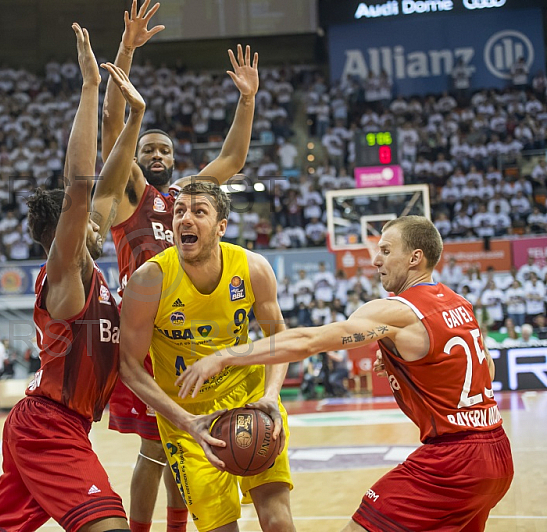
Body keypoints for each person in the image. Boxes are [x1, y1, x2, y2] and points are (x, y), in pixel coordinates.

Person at [178, 216, 514, 532]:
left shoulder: (393, 311)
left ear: (415, 258)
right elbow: (487, 367)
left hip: (453, 460)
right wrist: (411, 362)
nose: (375, 260)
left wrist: (225, 356)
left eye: (385, 251)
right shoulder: (459, 303)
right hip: (498, 453)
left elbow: (309, 341)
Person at [101, 2, 260, 528]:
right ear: (136, 155)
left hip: (181, 337)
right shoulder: (131, 198)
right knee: (152, 453)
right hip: (143, 335)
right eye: (148, 148)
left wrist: (247, 100)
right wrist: (126, 51)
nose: (157, 153)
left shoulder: (187, 200)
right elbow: (111, 126)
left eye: (165, 149)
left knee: (178, 451)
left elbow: (233, 161)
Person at [0, 24, 141, 532]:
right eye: (86, 220)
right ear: (61, 236)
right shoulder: (66, 274)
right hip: (50, 426)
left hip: (50, 423)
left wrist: (134, 114)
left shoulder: (88, 265)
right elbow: (81, 187)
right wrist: (90, 87)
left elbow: (110, 180)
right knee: (108, 525)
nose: (100, 219)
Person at [119, 181, 294, 532]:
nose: (186, 219)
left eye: (199, 212)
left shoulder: (252, 268)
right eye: (180, 211)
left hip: (251, 402)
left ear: (221, 227)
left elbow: (279, 337)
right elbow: (128, 366)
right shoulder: (149, 280)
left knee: (277, 519)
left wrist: (271, 395)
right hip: (189, 418)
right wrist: (185, 422)